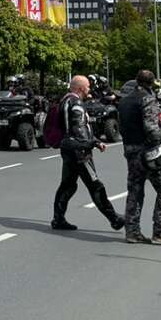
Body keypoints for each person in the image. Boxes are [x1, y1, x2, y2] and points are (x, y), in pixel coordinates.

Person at [52, 75, 124, 232]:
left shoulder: (65, 100)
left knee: (68, 185)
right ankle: (115, 219)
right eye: (88, 87)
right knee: (95, 185)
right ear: (80, 88)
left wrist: (96, 141)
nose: (89, 89)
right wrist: (91, 143)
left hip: (68, 148)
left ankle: (58, 219)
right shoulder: (77, 103)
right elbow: (79, 128)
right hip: (80, 152)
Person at [119, 69, 161, 246]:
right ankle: (160, 232)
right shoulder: (148, 99)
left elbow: (121, 128)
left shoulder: (124, 101)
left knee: (135, 191)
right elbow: (151, 128)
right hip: (149, 152)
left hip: (130, 150)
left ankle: (132, 232)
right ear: (152, 83)